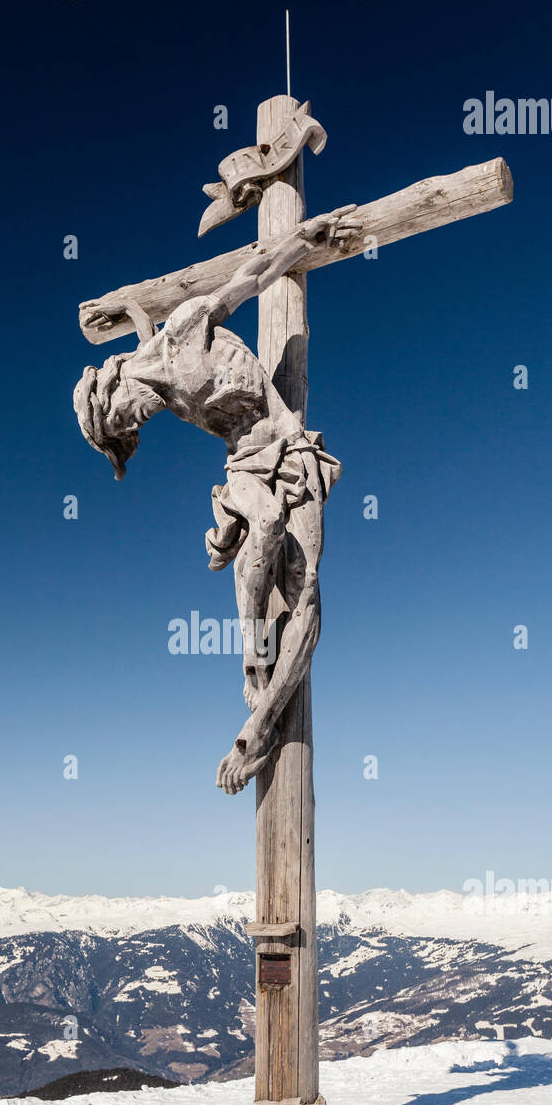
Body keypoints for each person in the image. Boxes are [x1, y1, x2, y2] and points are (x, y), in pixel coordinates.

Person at [75, 205, 363, 793]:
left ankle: (259, 722)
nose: (137, 426)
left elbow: (251, 276)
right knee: (263, 531)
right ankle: (254, 671)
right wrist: (128, 305)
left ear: (114, 387)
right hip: (243, 467)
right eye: (128, 433)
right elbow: (142, 338)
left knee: (307, 593)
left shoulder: (183, 330)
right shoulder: (157, 375)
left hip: (290, 450)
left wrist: (302, 237)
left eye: (123, 422)